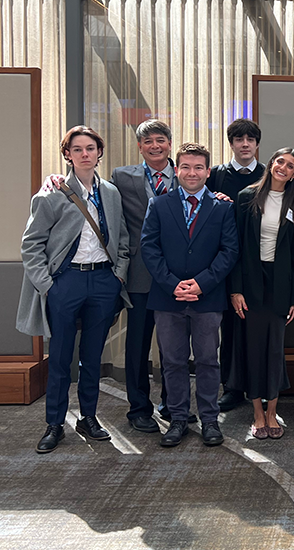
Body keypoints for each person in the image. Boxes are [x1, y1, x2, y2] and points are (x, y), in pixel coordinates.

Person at [18, 126, 130, 453]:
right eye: (77, 149)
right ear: (68, 154)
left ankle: (89, 417)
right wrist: (48, 286)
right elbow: (31, 244)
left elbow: (122, 238)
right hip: (65, 282)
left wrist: (119, 276)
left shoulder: (110, 192)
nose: (85, 154)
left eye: (90, 148)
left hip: (103, 281)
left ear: (99, 152)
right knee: (61, 357)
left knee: (92, 356)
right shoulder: (51, 193)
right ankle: (55, 423)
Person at [140, 142, 238, 448]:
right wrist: (172, 284)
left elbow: (229, 250)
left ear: (208, 172)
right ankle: (178, 418)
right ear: (176, 169)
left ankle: (210, 420)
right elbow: (149, 248)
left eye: (198, 167)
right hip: (167, 298)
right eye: (185, 166)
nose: (191, 173)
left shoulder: (223, 207)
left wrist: (202, 283)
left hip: (207, 298)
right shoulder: (159, 204)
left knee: (209, 361)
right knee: (173, 361)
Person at [111, 120, 187, 430]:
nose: (155, 146)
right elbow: (99, 201)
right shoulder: (122, 177)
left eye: (160, 140)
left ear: (170, 143)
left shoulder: (187, 175)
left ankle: (172, 405)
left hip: (177, 274)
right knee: (138, 345)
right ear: (140, 147)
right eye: (148, 142)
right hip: (140, 273)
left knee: (175, 346)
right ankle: (138, 408)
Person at [228, 148, 294, 440]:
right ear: (271, 164)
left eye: (290, 166)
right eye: (279, 161)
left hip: (280, 284)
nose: (283, 167)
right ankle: (258, 413)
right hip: (250, 282)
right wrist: (235, 289)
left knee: (275, 349)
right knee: (253, 348)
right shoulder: (247, 197)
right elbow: (234, 247)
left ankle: (273, 412)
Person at [208, 118, 267, 413]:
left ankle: (263, 385)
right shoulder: (216, 175)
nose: (245, 144)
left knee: (260, 328)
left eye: (250, 139)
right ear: (230, 143)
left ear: (257, 144)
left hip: (262, 265)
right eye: (238, 139)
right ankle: (231, 388)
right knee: (230, 328)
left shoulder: (270, 174)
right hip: (226, 263)